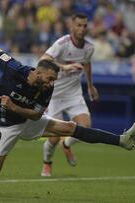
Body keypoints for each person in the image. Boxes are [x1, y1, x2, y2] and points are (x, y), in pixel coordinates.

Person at [0, 46, 135, 191]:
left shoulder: (46, 89)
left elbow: (37, 114)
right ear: (38, 72)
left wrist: (14, 106)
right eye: (49, 79)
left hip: (27, 119)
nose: (51, 84)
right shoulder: (15, 69)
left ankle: (120, 140)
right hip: (4, 125)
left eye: (53, 81)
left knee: (70, 127)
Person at [40, 13, 99, 177]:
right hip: (55, 95)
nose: (82, 29)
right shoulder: (62, 44)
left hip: (74, 94)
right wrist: (63, 67)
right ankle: (47, 163)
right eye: (78, 25)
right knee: (52, 138)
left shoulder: (89, 48)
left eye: (85, 26)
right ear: (71, 27)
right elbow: (43, 59)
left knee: (85, 127)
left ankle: (66, 143)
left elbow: (86, 64)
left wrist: (90, 86)